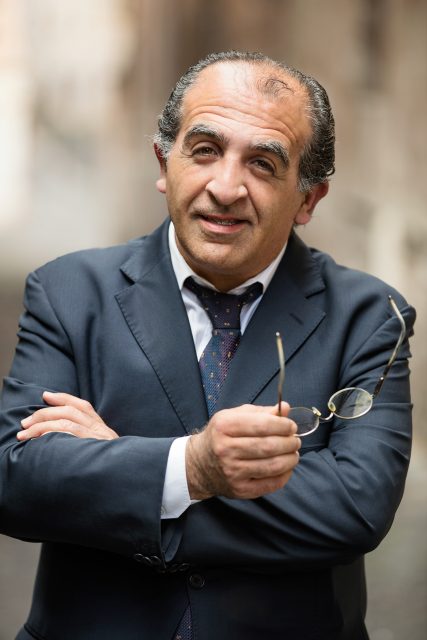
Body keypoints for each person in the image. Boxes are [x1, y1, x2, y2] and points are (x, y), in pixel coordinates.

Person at [0, 50, 415, 640]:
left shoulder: (370, 316)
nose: (225, 187)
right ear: (163, 163)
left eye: (263, 164)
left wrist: (131, 471)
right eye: (204, 150)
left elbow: (354, 509)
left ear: (308, 200)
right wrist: (189, 467)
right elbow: (16, 483)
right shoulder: (68, 291)